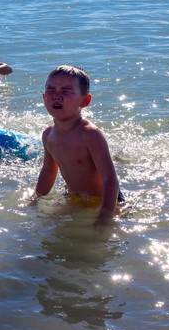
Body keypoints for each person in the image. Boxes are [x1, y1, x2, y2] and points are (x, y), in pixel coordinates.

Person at [31, 65, 122, 230]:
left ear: (85, 101)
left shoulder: (90, 135)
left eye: (66, 91)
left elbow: (110, 180)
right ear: (44, 97)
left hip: (104, 200)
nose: (56, 95)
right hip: (75, 197)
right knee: (42, 227)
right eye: (51, 90)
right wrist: (36, 197)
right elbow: (48, 170)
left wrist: (106, 214)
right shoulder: (48, 135)